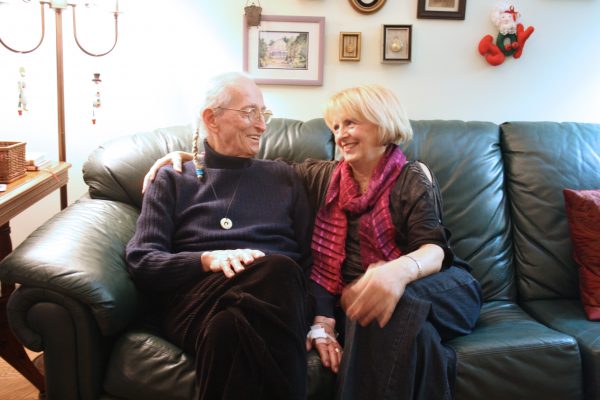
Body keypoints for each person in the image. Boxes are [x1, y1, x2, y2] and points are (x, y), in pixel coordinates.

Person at [144, 84, 483, 400]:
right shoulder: (323, 176)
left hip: (437, 285)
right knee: (408, 333)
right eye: (335, 127)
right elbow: (239, 167)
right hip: (356, 294)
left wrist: (395, 274)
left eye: (350, 123)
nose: (341, 136)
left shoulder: (413, 176)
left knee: (375, 302)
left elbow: (435, 249)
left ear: (382, 123)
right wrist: (192, 157)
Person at [126, 72, 312, 400]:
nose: (262, 126)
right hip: (195, 299)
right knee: (277, 268)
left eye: (263, 114)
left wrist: (323, 317)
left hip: (278, 296)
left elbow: (312, 258)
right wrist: (207, 261)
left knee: (226, 330)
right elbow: (142, 261)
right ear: (211, 118)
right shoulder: (172, 180)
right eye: (249, 113)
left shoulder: (284, 176)